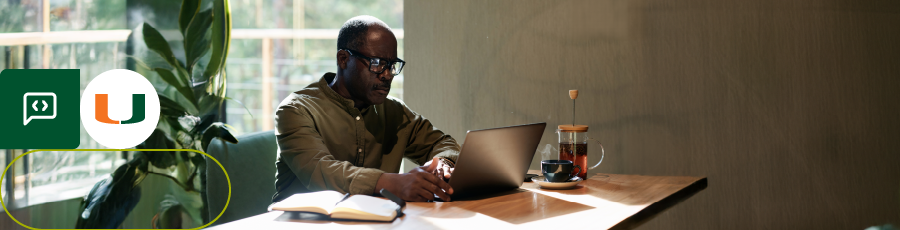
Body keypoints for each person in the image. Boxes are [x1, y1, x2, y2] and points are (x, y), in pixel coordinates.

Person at [272, 15, 459, 203]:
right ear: (343, 59)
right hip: (303, 220)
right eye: (376, 63)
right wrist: (394, 183)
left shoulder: (393, 111)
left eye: (391, 65)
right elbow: (321, 171)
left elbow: (443, 143)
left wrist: (443, 163)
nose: (387, 75)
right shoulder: (296, 110)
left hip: (377, 219)